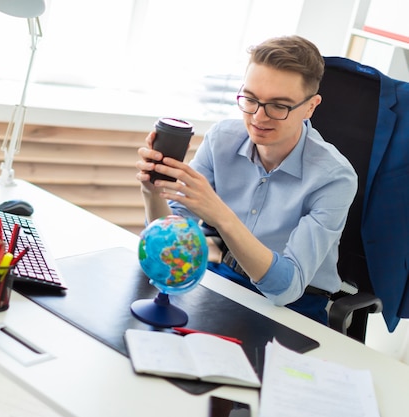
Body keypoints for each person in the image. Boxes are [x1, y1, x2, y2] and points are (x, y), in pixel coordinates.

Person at [135, 35, 358, 325]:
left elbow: (286, 289)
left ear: (310, 107)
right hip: (226, 279)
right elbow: (171, 238)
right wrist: (152, 193)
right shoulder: (222, 139)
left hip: (297, 307)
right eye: (250, 99)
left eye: (279, 106)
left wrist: (219, 214)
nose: (258, 117)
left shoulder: (334, 177)